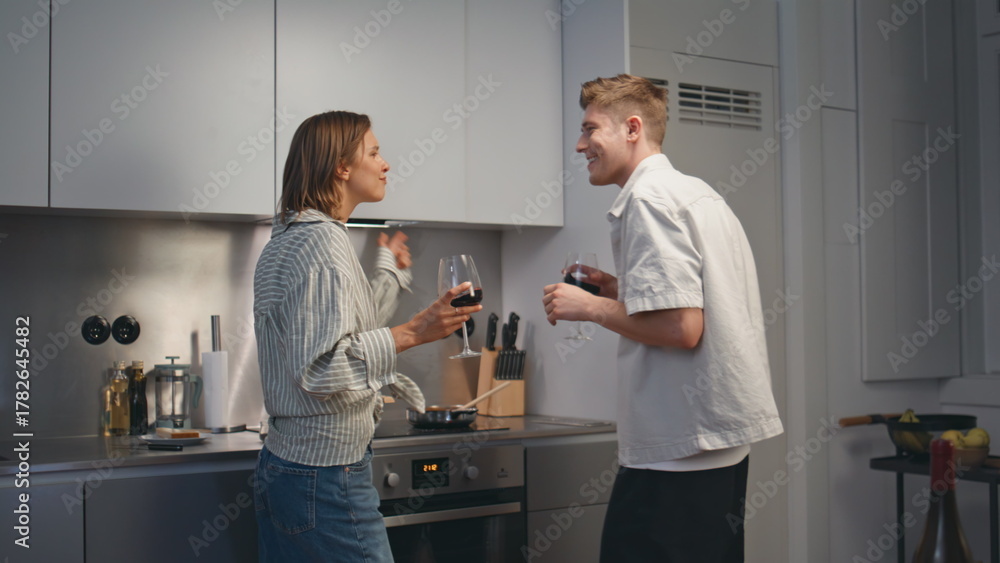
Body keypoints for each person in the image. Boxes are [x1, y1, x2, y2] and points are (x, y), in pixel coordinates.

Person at [542, 74, 783, 562]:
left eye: (590, 130)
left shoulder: (646, 200)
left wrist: (591, 307)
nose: (579, 144)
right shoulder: (695, 193)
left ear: (632, 128)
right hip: (715, 444)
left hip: (679, 451)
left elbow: (682, 328)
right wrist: (618, 288)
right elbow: (699, 302)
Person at [253, 110, 480, 562]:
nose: (385, 163)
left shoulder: (295, 237)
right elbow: (319, 369)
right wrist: (412, 333)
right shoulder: (320, 243)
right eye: (374, 152)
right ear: (341, 167)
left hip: (295, 469)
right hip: (324, 477)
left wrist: (388, 274)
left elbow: (338, 329)